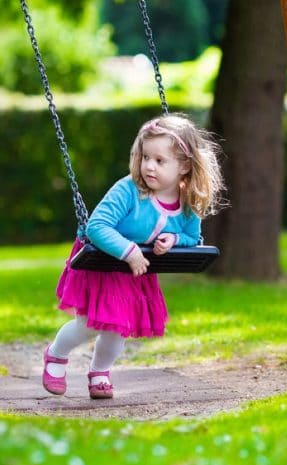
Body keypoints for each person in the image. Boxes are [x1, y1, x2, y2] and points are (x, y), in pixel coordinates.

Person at [42, 113, 225, 399]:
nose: (149, 166)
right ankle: (56, 355)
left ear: (184, 166)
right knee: (90, 323)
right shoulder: (128, 190)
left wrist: (174, 239)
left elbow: (192, 237)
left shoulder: (186, 201)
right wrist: (129, 252)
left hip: (136, 269)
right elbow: (97, 227)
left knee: (119, 328)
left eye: (160, 161)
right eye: (145, 157)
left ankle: (100, 371)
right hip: (103, 261)